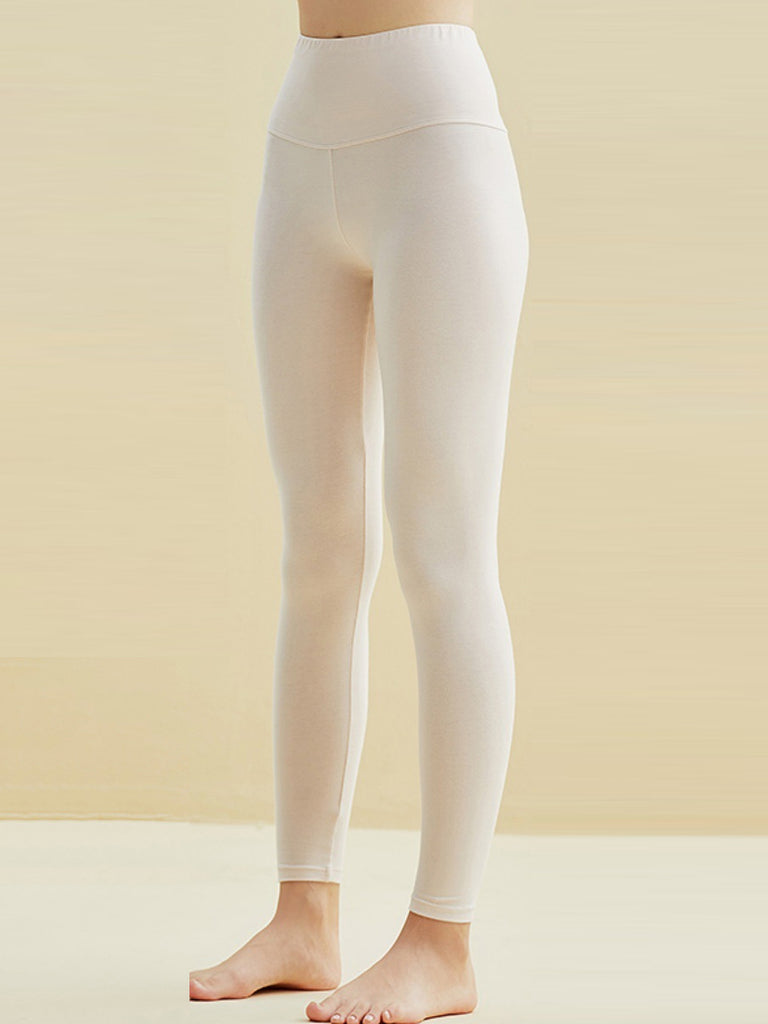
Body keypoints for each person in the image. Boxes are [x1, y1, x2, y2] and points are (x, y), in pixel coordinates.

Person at [189, 2, 529, 1021]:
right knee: (319, 551)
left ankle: (442, 938)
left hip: (436, 135)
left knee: (443, 554)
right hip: (303, 130)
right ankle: (305, 914)